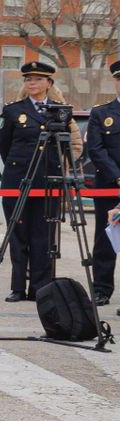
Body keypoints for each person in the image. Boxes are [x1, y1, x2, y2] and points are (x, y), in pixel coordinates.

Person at [0, 60, 82, 304]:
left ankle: (40, 288)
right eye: (28, 79)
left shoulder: (61, 111)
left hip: (48, 182)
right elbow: (5, 147)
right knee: (18, 233)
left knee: (43, 236)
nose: (32, 83)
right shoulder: (14, 110)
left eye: (37, 79)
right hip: (19, 180)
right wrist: (19, 167)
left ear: (49, 83)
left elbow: (69, 146)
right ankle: (17, 287)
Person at [83, 59, 120, 306]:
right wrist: (117, 176)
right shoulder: (101, 112)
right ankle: (102, 289)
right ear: (115, 82)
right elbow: (95, 149)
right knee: (105, 238)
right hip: (109, 184)